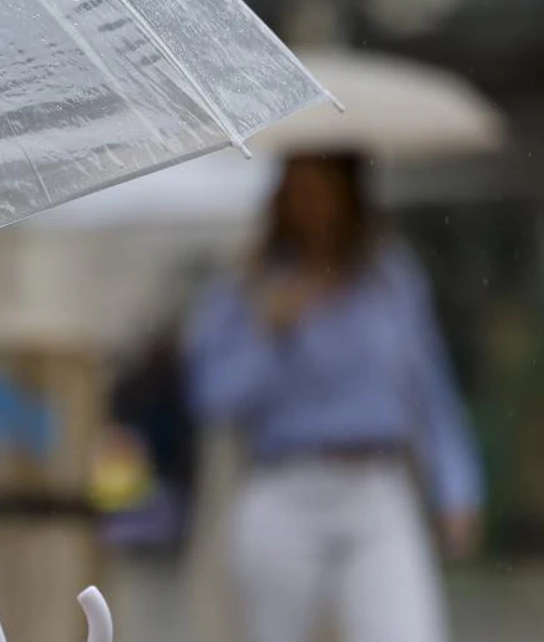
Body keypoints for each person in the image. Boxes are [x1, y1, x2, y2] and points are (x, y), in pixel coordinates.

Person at [183, 152, 483, 642]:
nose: (312, 205)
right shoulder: (248, 283)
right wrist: (269, 334)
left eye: (323, 189)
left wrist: (456, 485)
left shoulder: (390, 278)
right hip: (284, 486)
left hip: (376, 486)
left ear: (349, 194)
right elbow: (212, 399)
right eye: (300, 190)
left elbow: (428, 389)